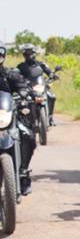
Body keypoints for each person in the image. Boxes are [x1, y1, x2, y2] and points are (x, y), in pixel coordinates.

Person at [0, 46, 35, 195]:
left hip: (5, 117)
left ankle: (22, 173)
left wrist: (24, 94)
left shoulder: (10, 74)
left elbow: (23, 86)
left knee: (27, 135)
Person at [17, 44, 57, 126]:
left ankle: (50, 118)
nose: (29, 55)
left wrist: (52, 75)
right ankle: (23, 120)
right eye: (26, 53)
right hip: (28, 88)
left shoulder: (40, 64)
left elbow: (48, 71)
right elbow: (16, 75)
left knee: (51, 96)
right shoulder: (21, 66)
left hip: (40, 86)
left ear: (34, 52)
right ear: (24, 54)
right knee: (21, 101)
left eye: (30, 52)